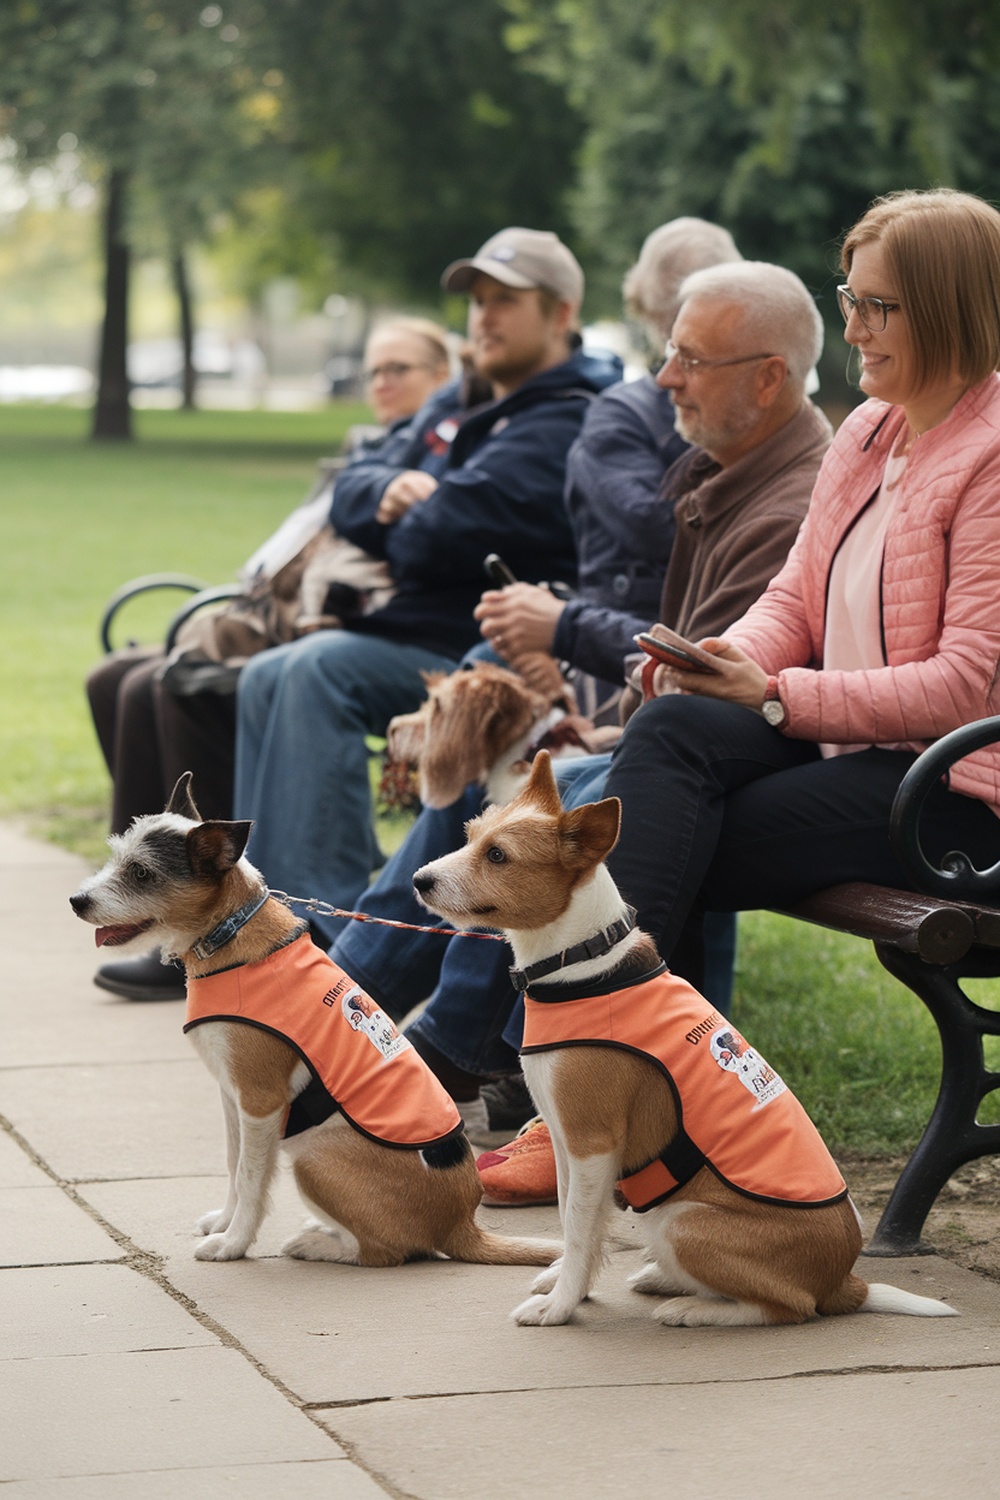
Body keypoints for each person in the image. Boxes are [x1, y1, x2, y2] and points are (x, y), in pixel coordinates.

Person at [330, 258, 832, 1157]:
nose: (664, 378)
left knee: (549, 800)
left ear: (768, 377)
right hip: (692, 738)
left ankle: (389, 1031)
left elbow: (720, 677)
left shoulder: (791, 495)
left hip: (764, 755)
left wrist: (569, 630)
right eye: (666, 353)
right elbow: (693, 665)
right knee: (540, 778)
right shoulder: (721, 468)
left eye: (690, 360)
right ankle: (360, 1013)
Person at [602, 187, 1000, 996]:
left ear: (948, 310)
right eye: (851, 299)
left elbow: (965, 686)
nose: (851, 331)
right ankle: (627, 1071)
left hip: (955, 789)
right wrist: (727, 660)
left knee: (673, 840)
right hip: (856, 749)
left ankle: (620, 1071)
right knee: (675, 724)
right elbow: (796, 596)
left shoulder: (990, 457)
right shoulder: (868, 429)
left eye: (877, 307)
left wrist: (778, 696)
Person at [232, 228, 621, 951]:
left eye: (507, 300)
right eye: (477, 301)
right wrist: (386, 493)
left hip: (484, 647)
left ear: (562, 313)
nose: (484, 317)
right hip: (408, 628)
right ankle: (255, 920)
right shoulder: (460, 398)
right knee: (265, 673)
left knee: (315, 673)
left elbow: (442, 533)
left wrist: (403, 513)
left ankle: (326, 931)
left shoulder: (571, 411)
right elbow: (352, 482)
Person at [90, 317, 453, 1000]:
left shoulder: (434, 452)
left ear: (444, 378)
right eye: (374, 370)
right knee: (120, 681)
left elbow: (380, 566)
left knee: (171, 687)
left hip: (337, 631)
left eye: (399, 369)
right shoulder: (371, 453)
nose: (381, 383)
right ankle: (144, 900)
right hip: (284, 622)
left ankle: (208, 909)